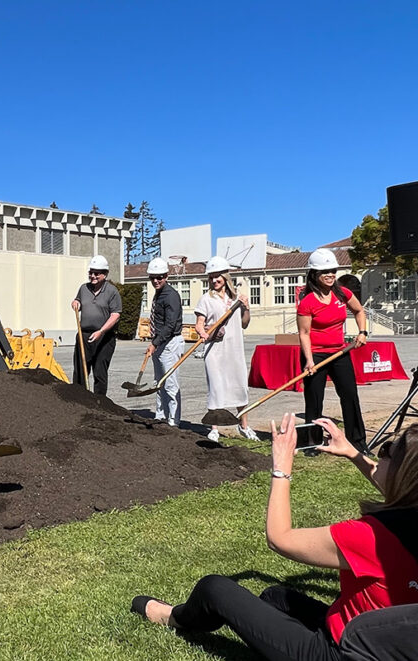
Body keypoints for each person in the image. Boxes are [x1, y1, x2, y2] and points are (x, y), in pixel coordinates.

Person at [130, 414, 418, 660]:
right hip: (384, 644)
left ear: (404, 475)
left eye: (388, 452)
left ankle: (175, 618)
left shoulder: (369, 537)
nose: (380, 455)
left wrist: (281, 467)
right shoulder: (407, 519)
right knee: (274, 597)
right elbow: (403, 492)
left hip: (339, 651)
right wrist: (353, 454)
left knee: (214, 588)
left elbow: (279, 538)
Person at [297, 248, 368, 451]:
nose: (329, 275)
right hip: (316, 354)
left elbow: (359, 310)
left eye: (332, 270)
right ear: (314, 274)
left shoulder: (342, 293)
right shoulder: (307, 301)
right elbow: (304, 333)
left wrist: (362, 331)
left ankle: (357, 441)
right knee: (314, 398)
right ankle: (311, 443)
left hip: (340, 353)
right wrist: (309, 361)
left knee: (349, 395)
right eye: (324, 271)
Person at [194, 256, 258, 442]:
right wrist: (202, 333)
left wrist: (246, 308)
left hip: (234, 349)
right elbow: (199, 323)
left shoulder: (237, 298)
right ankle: (214, 428)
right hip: (214, 350)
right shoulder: (206, 299)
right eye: (211, 277)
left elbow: (245, 323)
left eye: (218, 276)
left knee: (239, 386)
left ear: (225, 277)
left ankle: (243, 425)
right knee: (216, 386)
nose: (215, 280)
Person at [71, 255, 122, 395]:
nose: (93, 276)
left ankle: (99, 403)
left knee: (100, 371)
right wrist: (76, 303)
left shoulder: (112, 291)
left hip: (104, 337)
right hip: (84, 335)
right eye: (91, 272)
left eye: (97, 273)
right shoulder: (84, 288)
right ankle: (79, 400)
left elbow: (115, 315)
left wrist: (101, 331)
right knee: (80, 371)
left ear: (105, 274)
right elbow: (78, 301)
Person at [145, 257, 183, 426]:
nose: (156, 280)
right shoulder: (159, 294)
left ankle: (174, 421)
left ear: (166, 276)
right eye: (152, 277)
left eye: (159, 277)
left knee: (170, 384)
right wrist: (155, 342)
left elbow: (170, 325)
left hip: (170, 342)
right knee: (159, 382)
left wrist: (155, 342)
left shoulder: (171, 296)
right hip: (160, 342)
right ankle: (161, 416)